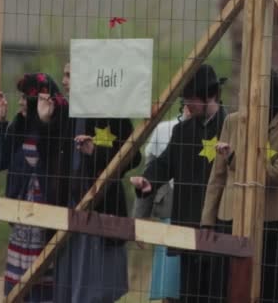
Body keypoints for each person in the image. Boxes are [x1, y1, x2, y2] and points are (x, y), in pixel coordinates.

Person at [201, 70, 278, 302]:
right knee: (225, 288)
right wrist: (207, 220)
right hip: (229, 217)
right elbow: (217, 176)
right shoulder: (232, 121)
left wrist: (235, 158)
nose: (242, 95)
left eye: (248, 90)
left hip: (270, 219)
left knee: (270, 289)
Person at [130, 64, 228, 303]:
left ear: (211, 95)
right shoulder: (182, 131)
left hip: (220, 226)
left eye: (192, 99)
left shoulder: (231, 127)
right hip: (187, 225)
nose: (188, 105)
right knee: (189, 295)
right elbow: (164, 163)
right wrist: (148, 182)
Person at [54, 62, 141, 303]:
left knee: (96, 289)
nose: (64, 81)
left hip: (100, 208)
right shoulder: (65, 115)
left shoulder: (111, 114)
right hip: (68, 208)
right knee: (68, 285)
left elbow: (133, 156)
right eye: (64, 74)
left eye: (69, 75)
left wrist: (96, 153)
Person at [0, 73, 72, 302]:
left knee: (45, 293)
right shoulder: (20, 125)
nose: (20, 102)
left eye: (26, 98)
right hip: (21, 231)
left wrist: (45, 122)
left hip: (48, 230)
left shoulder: (60, 130)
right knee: (18, 293)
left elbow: (54, 156)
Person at [134, 103, 191, 302]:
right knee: (170, 290)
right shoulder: (164, 130)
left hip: (201, 222)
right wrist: (139, 219)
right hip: (169, 215)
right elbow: (149, 174)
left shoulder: (219, 127)